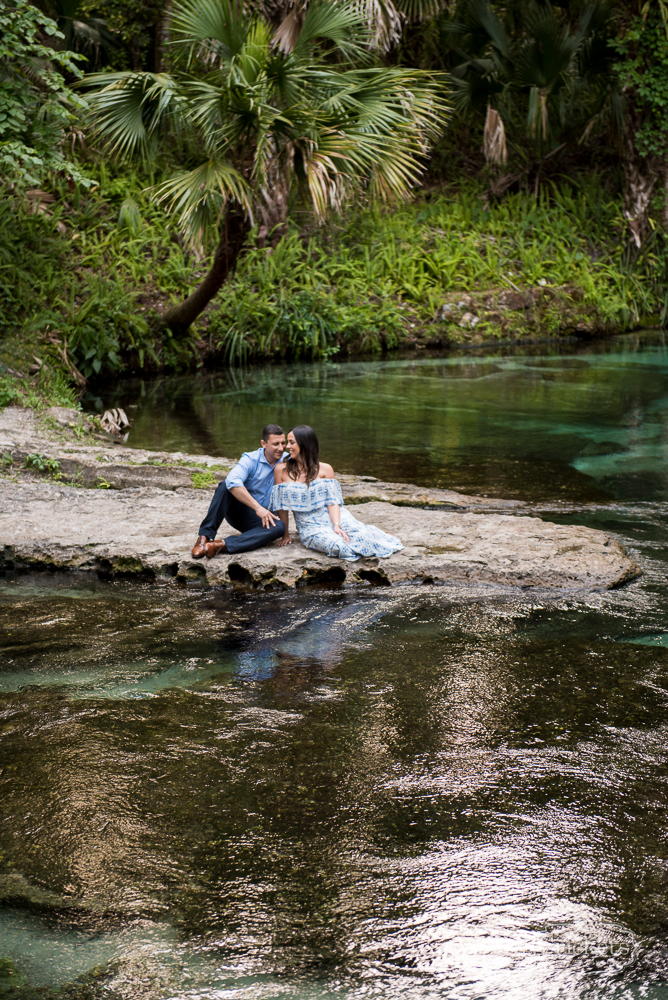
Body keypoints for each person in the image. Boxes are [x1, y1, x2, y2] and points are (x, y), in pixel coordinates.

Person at [270, 425, 403, 561]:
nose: (287, 447)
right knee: (340, 547)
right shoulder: (281, 470)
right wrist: (285, 534)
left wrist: (336, 525)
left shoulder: (326, 469)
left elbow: (333, 502)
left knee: (363, 537)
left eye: (291, 442)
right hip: (310, 525)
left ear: (305, 444)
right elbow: (281, 506)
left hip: (334, 517)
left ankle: (375, 534)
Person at [191, 424, 288, 559]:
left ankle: (221, 545)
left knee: (279, 527)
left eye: (283, 443)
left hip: (263, 521)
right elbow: (233, 480)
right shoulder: (250, 459)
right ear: (263, 444)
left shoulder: (288, 460)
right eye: (276, 444)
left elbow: (308, 467)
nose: (281, 448)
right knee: (225, 485)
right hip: (241, 512)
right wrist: (257, 508)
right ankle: (205, 537)